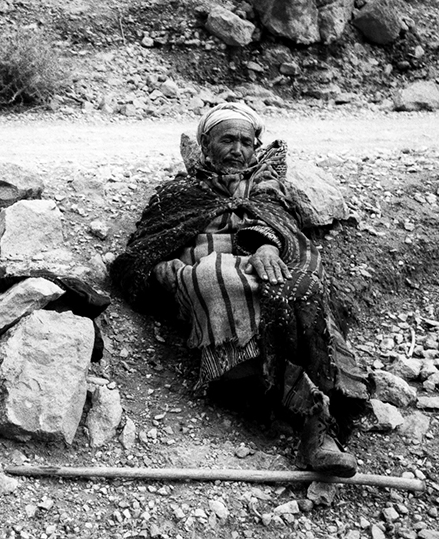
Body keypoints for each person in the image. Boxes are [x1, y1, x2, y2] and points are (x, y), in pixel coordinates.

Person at [110, 103, 369, 477]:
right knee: (217, 277)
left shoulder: (266, 186)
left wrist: (266, 245)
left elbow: (284, 226)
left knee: (300, 287)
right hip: (203, 273)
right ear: (205, 145)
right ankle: (309, 414)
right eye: (227, 140)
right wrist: (164, 270)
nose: (238, 150)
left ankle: (315, 416)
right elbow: (143, 249)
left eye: (246, 142)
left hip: (262, 263)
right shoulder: (180, 192)